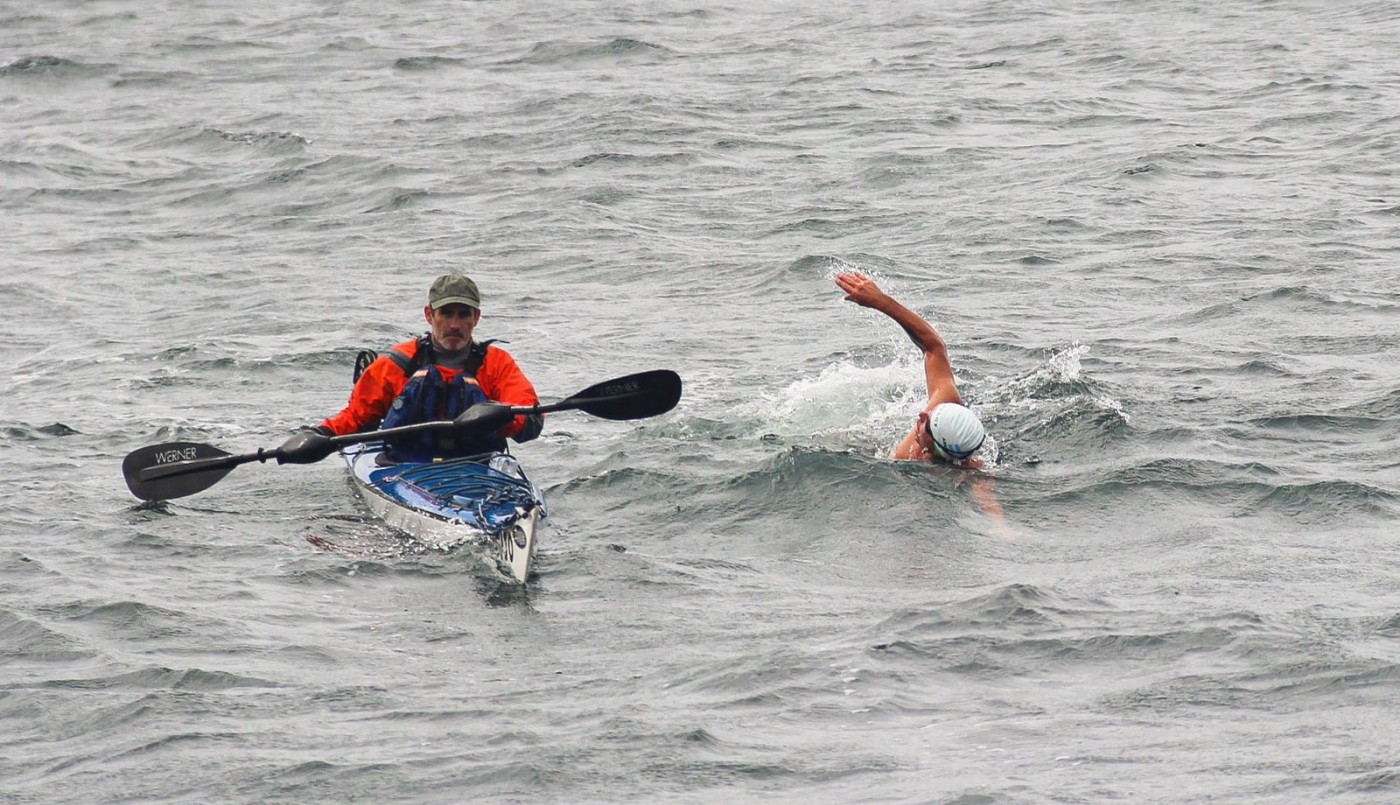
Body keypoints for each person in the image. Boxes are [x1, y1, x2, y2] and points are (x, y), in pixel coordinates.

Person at [294, 273, 543, 462]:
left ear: (476, 318)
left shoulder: (497, 363)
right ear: (429, 315)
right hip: (403, 465)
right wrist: (319, 432)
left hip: (478, 464)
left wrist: (502, 419)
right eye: (446, 314)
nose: (454, 324)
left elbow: (529, 417)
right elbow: (356, 418)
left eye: (463, 314)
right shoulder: (397, 363)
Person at [835, 271, 988, 468]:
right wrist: (881, 302)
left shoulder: (903, 459)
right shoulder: (948, 398)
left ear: (932, 448)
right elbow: (934, 347)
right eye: (934, 412)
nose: (923, 414)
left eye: (929, 423)